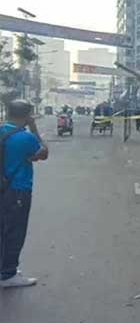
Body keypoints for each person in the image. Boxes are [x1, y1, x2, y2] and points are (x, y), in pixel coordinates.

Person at [0, 100, 49, 288]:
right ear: (27, 116)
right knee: (15, 231)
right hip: (17, 190)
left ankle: (4, 268)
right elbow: (44, 152)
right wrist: (35, 130)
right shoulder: (26, 137)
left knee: (3, 228)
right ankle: (8, 274)